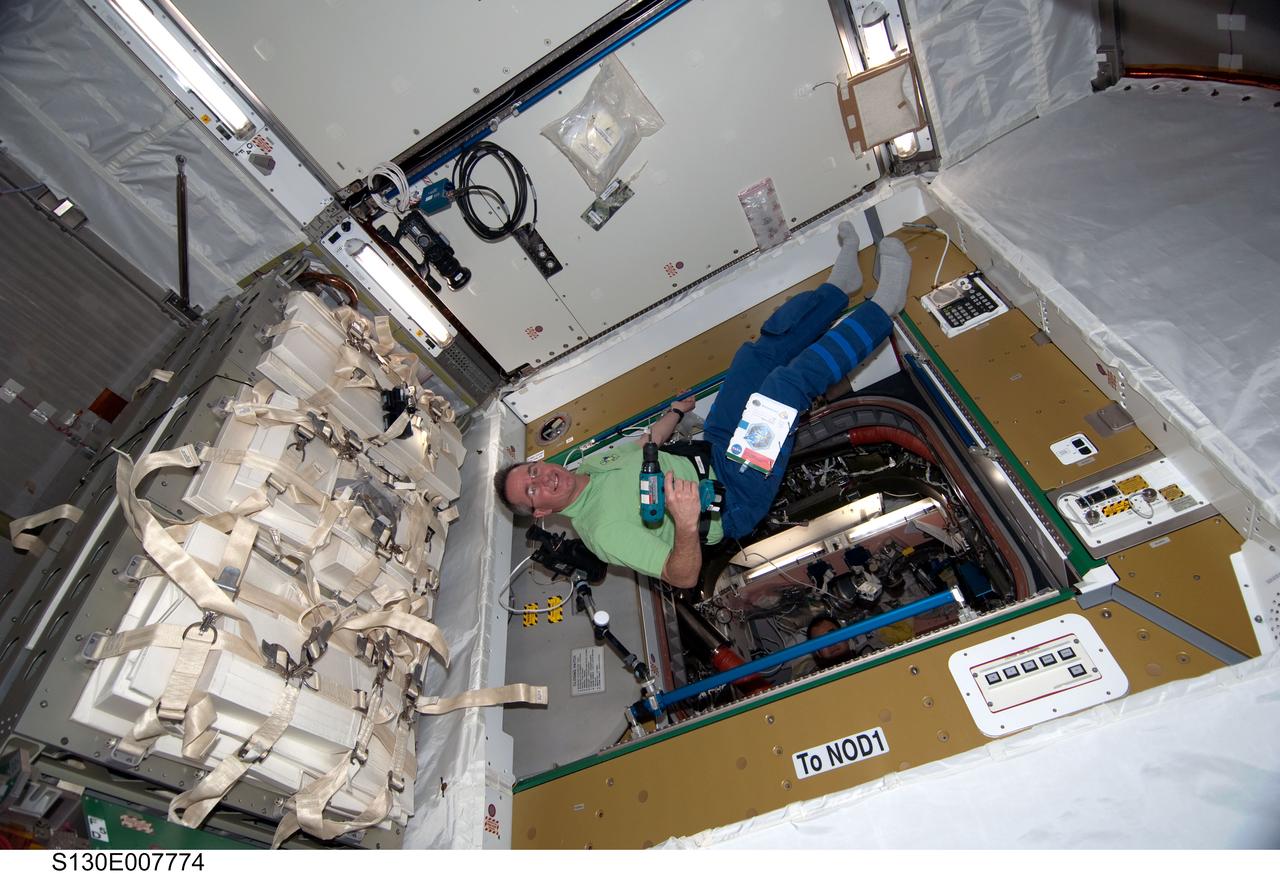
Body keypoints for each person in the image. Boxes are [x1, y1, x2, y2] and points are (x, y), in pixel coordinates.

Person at [496, 222, 912, 588]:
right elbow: (683, 576)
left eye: (533, 471)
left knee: (755, 359)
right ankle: (883, 308)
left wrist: (673, 415)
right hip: (735, 494)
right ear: (541, 512)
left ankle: (839, 290)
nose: (543, 479)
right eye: (532, 490)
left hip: (712, 446)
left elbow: (646, 448)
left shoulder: (587, 469)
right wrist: (684, 521)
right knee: (781, 391)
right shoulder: (602, 533)